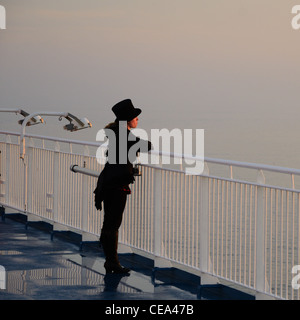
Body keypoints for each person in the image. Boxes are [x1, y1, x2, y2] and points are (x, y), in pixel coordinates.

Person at [94, 99, 152, 274]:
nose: (138, 120)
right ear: (128, 120)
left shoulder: (116, 133)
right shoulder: (124, 135)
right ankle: (112, 263)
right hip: (116, 184)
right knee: (113, 224)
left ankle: (111, 261)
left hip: (108, 181)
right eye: (135, 117)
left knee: (109, 223)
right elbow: (148, 146)